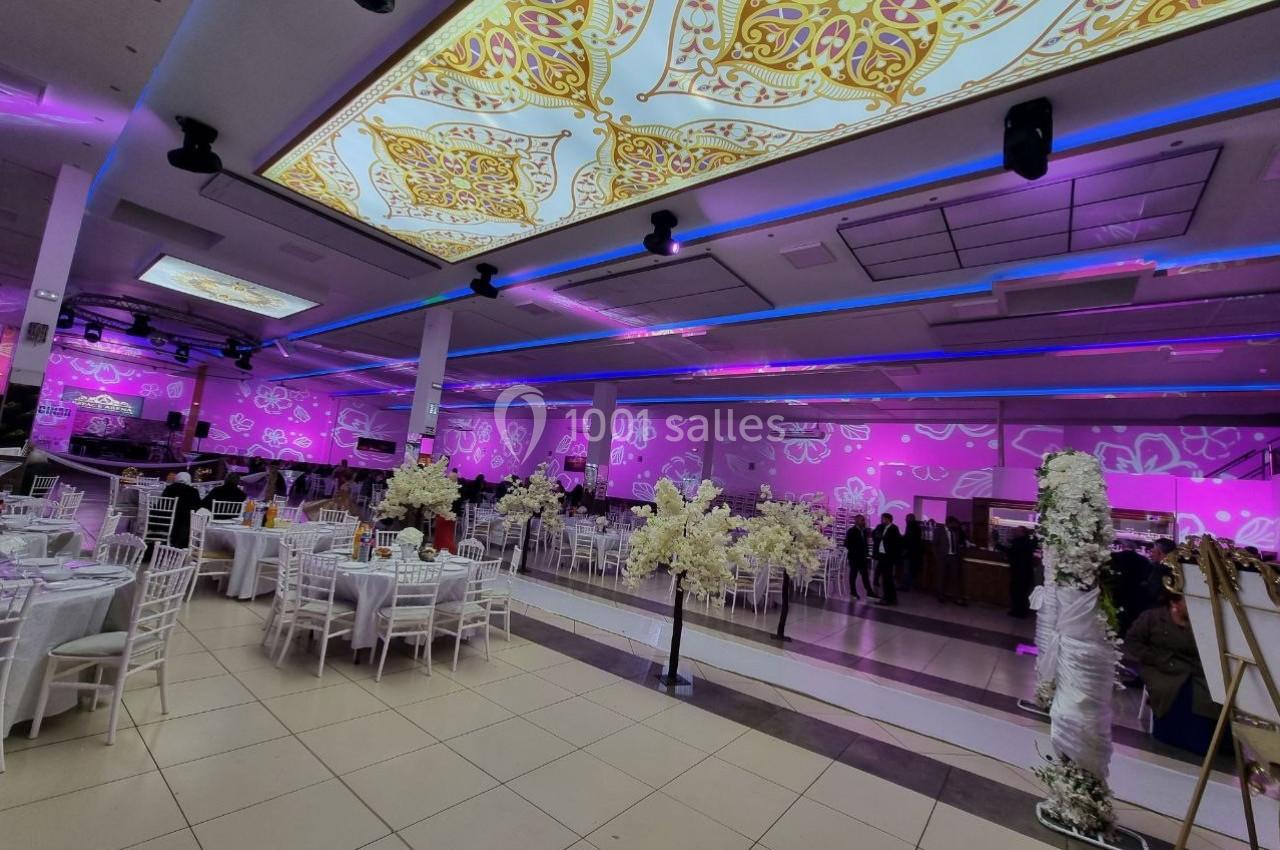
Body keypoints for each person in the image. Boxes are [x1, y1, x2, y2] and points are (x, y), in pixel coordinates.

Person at [1125, 592, 1222, 755]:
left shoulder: (1200, 623)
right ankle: (1171, 734)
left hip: (1193, 668)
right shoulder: (1152, 618)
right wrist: (1157, 658)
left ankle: (1208, 739)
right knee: (1176, 690)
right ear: (1174, 604)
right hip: (1160, 668)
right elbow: (1133, 642)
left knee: (1208, 693)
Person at [1112, 541, 1159, 636]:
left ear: (1122, 547)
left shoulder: (1114, 556)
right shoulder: (1144, 561)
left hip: (1117, 593)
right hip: (1135, 597)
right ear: (1135, 549)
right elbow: (1147, 580)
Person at [999, 526, 1038, 618]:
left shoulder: (1019, 541)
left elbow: (1012, 552)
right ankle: (1021, 611)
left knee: (1017, 592)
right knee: (1023, 593)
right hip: (1026, 571)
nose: (1014, 532)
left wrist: (998, 545)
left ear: (1022, 532)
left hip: (1019, 571)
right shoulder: (1028, 541)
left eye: (1016, 531)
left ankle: (1018, 612)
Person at [161, 471, 204, 548]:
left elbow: (161, 504)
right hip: (185, 522)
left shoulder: (169, 489)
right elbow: (198, 506)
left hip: (166, 520)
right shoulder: (193, 491)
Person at [936, 516, 968, 605]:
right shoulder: (939, 530)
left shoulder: (955, 531)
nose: (955, 525)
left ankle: (956, 597)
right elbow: (935, 544)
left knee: (955, 577)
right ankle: (941, 595)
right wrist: (938, 557)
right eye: (953, 523)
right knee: (942, 577)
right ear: (948, 523)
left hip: (954, 557)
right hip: (943, 557)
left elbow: (959, 542)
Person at [871, 512, 901, 606]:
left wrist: (883, 538)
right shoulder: (881, 527)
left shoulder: (893, 529)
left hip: (888, 556)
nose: (882, 520)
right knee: (885, 577)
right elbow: (874, 534)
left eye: (883, 519)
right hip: (881, 555)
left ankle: (888, 598)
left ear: (888, 519)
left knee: (887, 578)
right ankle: (889, 598)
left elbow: (895, 542)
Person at [843, 515, 873, 599]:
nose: (864, 522)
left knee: (865, 575)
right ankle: (853, 592)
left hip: (862, 557)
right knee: (853, 575)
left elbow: (865, 544)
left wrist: (867, 554)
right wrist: (854, 551)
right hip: (854, 557)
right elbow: (847, 543)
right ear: (856, 521)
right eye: (862, 520)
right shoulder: (851, 531)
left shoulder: (864, 531)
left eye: (864, 520)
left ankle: (869, 591)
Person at [902, 514, 923, 592]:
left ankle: (906, 586)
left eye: (907, 519)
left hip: (910, 552)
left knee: (907, 569)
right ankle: (911, 585)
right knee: (912, 569)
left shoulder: (910, 527)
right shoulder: (917, 527)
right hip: (915, 552)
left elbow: (909, 540)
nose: (905, 520)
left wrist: (905, 549)